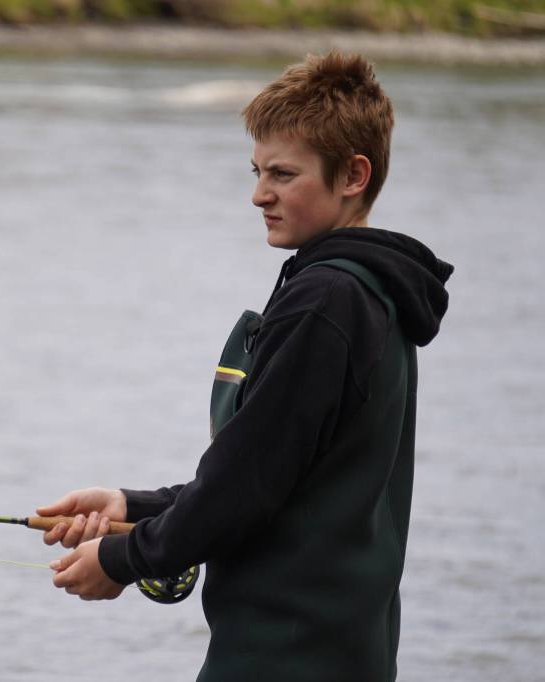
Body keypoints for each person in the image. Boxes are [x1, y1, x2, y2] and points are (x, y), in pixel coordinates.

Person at [37, 51, 454, 681]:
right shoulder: (370, 294)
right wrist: (134, 504)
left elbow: (245, 487)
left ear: (353, 175)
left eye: (283, 175)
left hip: (282, 657)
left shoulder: (328, 301)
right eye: (257, 171)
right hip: (343, 651)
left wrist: (122, 558)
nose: (259, 194)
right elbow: (277, 470)